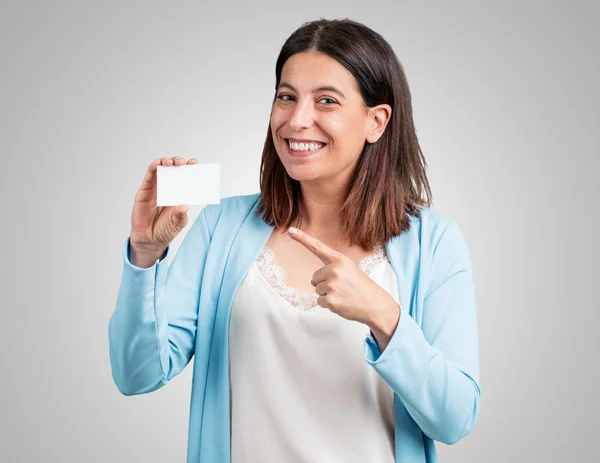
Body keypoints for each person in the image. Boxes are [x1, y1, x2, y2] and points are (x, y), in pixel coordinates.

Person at [108, 18, 481, 463]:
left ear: (376, 122)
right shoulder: (220, 227)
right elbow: (137, 374)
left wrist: (383, 314)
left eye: (326, 101)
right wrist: (146, 256)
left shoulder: (434, 241)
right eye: (286, 97)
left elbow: (454, 419)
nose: (297, 120)